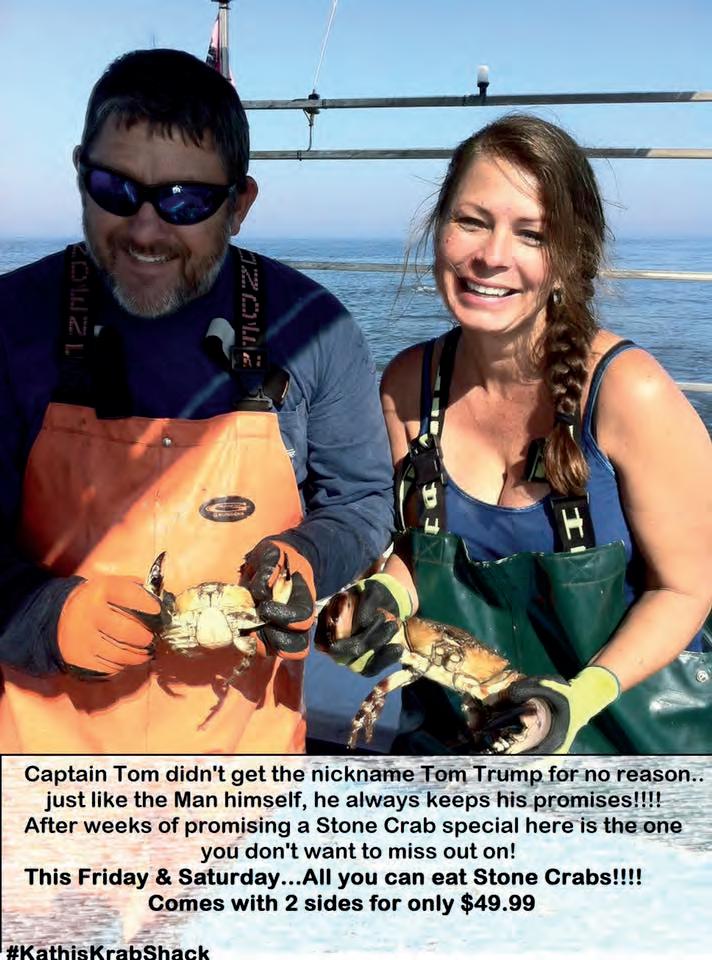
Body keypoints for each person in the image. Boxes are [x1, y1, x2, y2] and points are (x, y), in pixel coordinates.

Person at [0, 48, 393, 754]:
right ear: (79, 173)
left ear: (240, 204)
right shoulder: (10, 324)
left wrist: (306, 558)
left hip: (245, 765)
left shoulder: (318, 332)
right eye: (115, 189)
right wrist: (43, 616)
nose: (146, 229)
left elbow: (360, 502)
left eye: (186, 201)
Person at [327, 114, 712, 755]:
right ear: (439, 228)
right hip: (460, 739)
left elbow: (688, 588)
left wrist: (576, 701)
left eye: (531, 234)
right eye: (472, 221)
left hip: (624, 747)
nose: (492, 256)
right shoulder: (408, 384)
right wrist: (385, 597)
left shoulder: (627, 391)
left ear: (569, 258)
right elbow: (417, 554)